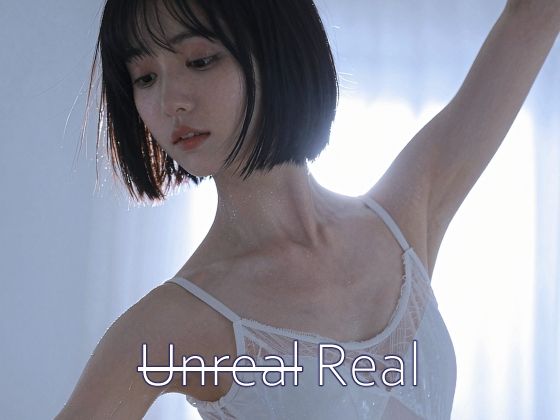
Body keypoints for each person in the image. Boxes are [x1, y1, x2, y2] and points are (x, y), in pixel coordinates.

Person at [56, 0, 559, 419]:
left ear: (274, 49)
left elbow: (535, 15)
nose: (170, 102)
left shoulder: (405, 218)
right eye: (145, 77)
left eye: (200, 60)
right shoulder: (172, 323)